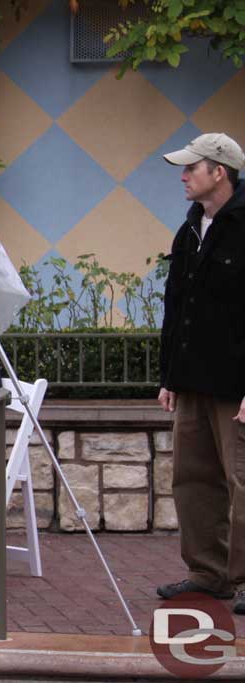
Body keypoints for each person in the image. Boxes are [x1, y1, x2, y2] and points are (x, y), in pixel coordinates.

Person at [155, 132, 245, 614]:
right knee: (192, 479)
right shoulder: (190, 229)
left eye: (193, 167)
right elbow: (176, 307)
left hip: (236, 386)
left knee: (243, 482)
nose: (183, 176)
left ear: (220, 172)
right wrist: (169, 375)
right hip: (191, 381)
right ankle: (209, 574)